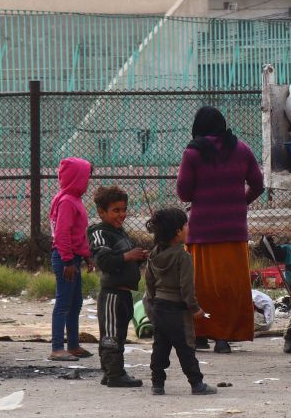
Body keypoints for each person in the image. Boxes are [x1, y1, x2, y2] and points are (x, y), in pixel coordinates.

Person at [176, 106, 264, 354]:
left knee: (201, 284)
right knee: (231, 284)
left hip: (202, 230)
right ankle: (224, 336)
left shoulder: (192, 153)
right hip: (234, 230)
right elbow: (258, 184)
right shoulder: (242, 149)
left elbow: (183, 192)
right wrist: (239, 202)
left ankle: (201, 332)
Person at [142, 207, 216, 396]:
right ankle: (196, 384)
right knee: (185, 348)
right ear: (177, 231)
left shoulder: (154, 254)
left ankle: (157, 384)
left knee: (160, 347)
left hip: (158, 307)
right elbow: (186, 288)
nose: (188, 228)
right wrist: (195, 308)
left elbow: (148, 281)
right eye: (185, 225)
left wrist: (152, 301)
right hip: (177, 310)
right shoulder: (183, 256)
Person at [86, 186, 148, 388]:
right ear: (101, 212)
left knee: (119, 334)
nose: (121, 214)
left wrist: (137, 258)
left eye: (123, 210)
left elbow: (122, 260)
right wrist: (128, 256)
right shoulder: (100, 233)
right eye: (115, 210)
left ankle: (111, 371)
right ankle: (114, 374)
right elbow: (103, 260)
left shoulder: (119, 233)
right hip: (112, 294)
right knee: (111, 335)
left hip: (124, 294)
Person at [48, 156, 93, 362]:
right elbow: (62, 234)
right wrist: (67, 260)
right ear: (77, 178)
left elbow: (78, 233)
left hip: (74, 257)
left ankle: (73, 345)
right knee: (64, 303)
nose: (88, 181)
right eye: (86, 177)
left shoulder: (72, 199)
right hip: (66, 259)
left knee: (75, 303)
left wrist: (86, 256)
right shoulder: (67, 201)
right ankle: (57, 348)